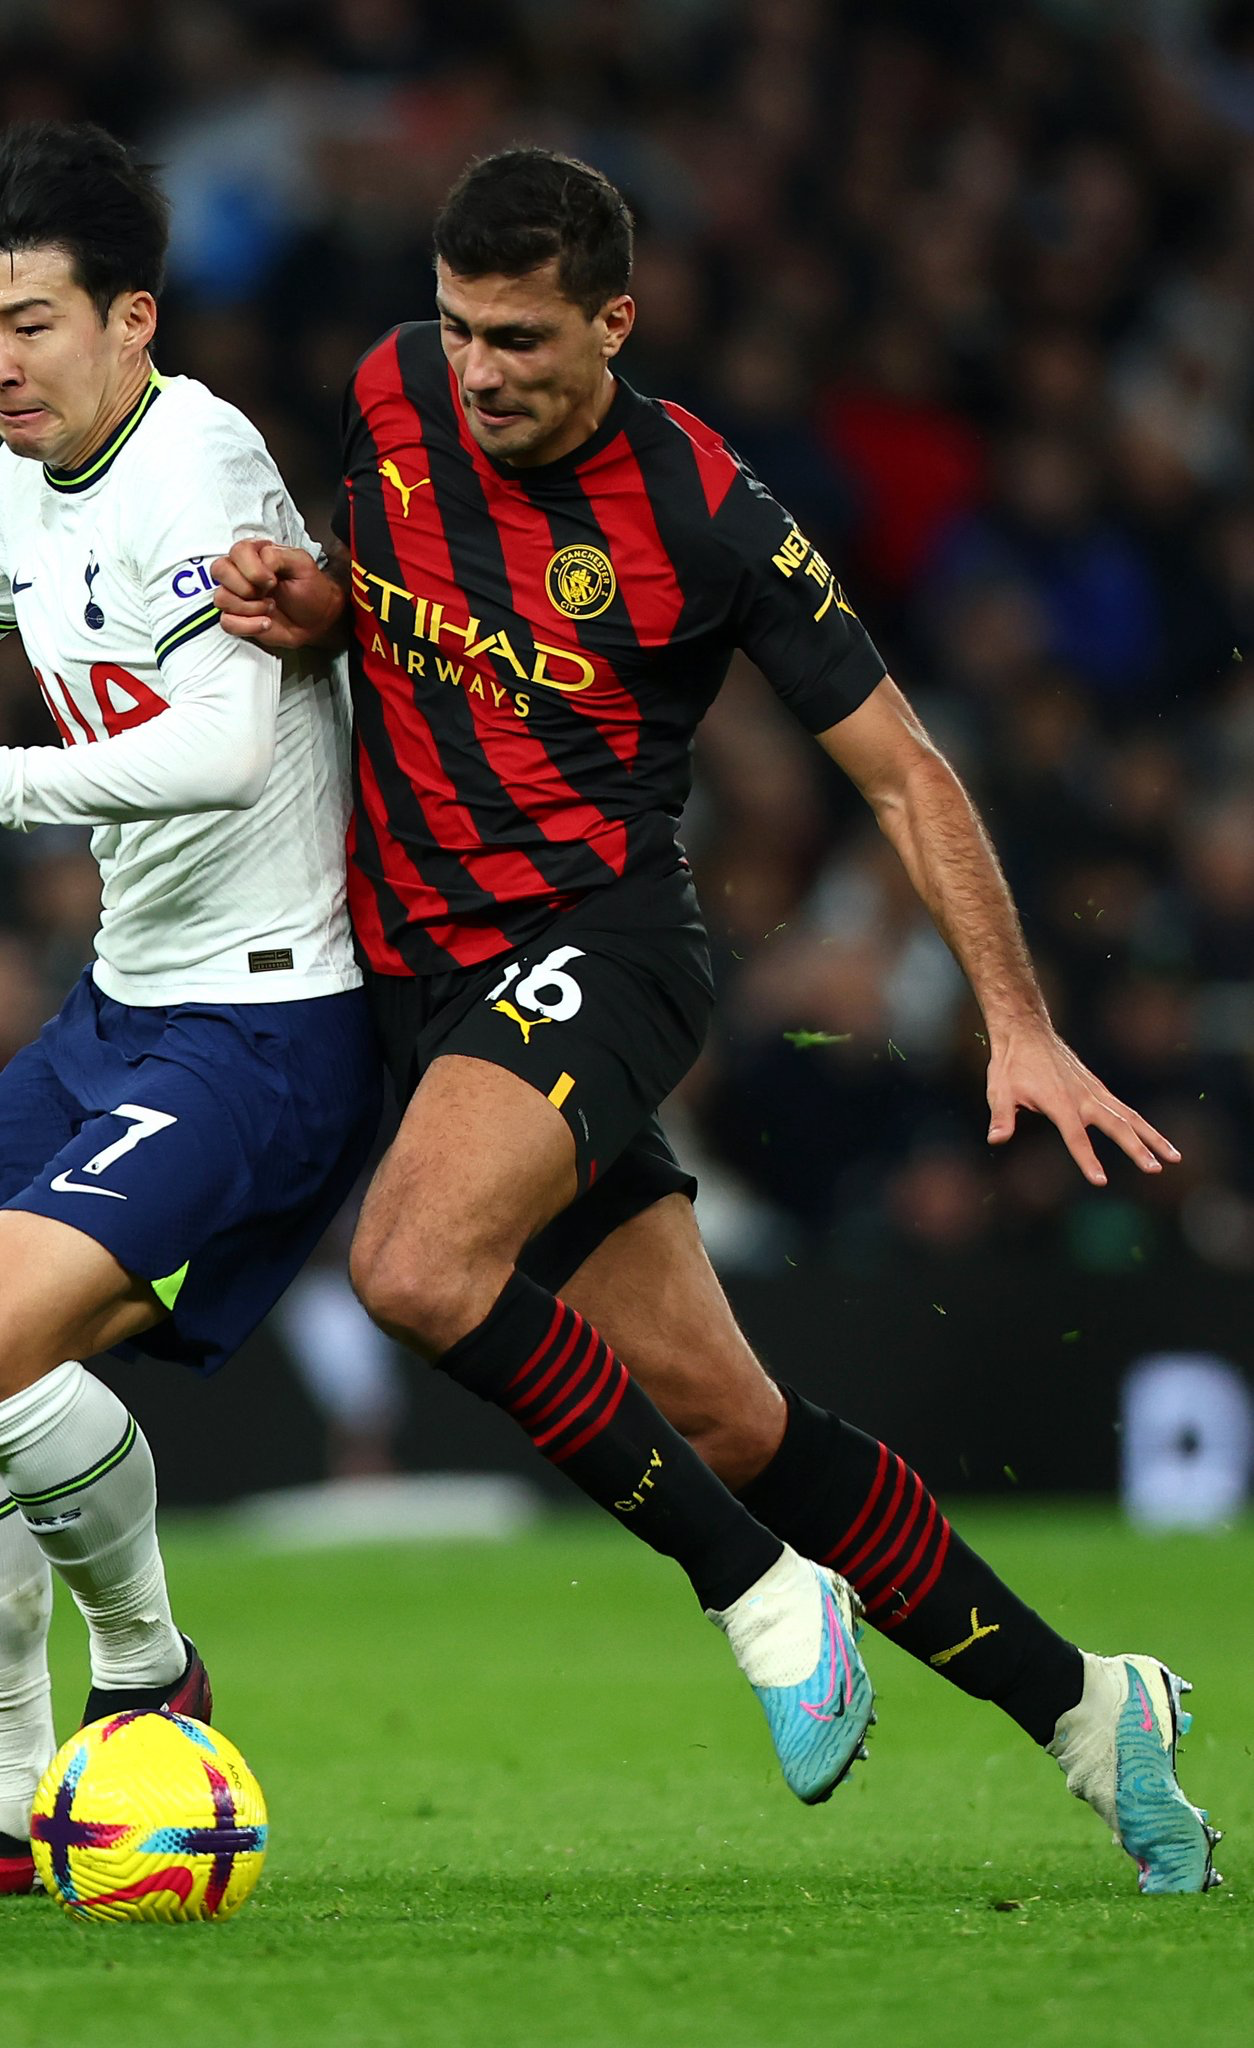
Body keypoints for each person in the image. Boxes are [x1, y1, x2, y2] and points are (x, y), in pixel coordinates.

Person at [0, 124, 875, 1904]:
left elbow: (228, 742)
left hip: (268, 1022)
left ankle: (156, 1679)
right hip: (121, 1003)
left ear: (131, 321)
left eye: (31, 323)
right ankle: (7, 1814)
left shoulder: (205, 471)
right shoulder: (22, 489)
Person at [212, 147, 1222, 1896]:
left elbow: (904, 775)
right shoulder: (386, 396)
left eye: (521, 338)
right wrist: (319, 614)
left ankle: (756, 1593)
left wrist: (1018, 1022)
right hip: (430, 988)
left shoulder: (702, 507)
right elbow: (372, 606)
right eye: (458, 332)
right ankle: (1086, 1710)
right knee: (732, 1418)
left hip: (597, 951)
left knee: (413, 1269)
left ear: (616, 318)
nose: (480, 373)